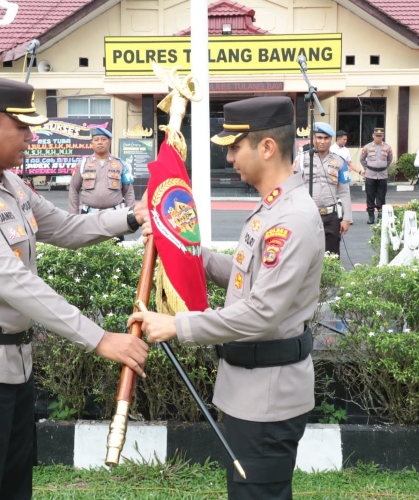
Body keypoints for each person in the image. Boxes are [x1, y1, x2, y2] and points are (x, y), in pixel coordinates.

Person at [0, 77, 149, 500]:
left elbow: (67, 227)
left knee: (11, 487)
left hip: (11, 367)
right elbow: (16, 283)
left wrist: (132, 218)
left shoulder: (10, 184)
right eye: (22, 127)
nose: (31, 136)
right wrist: (99, 339)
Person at [129, 96, 325, 499]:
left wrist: (178, 325)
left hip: (268, 397)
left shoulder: (292, 219)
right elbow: (243, 278)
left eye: (235, 147)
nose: (230, 158)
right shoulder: (273, 210)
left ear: (267, 148)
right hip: (250, 389)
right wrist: (181, 248)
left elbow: (261, 313)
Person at [295, 122, 352, 255]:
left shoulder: (340, 161)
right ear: (312, 138)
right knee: (305, 256)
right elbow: (293, 188)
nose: (322, 141)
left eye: (326, 138)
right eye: (319, 137)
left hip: (331, 216)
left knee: (331, 257)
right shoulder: (302, 159)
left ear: (331, 139)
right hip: (307, 216)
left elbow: (344, 191)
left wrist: (346, 218)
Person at [68, 127, 135, 214]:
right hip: (89, 215)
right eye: (96, 140)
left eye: (103, 139)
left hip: (115, 215)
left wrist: (132, 215)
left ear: (110, 142)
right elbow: (73, 189)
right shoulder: (83, 164)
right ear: (92, 143)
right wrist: (73, 215)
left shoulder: (121, 164)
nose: (100, 142)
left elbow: (129, 192)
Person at [359, 127, 393, 224]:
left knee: (381, 196)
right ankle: (371, 216)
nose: (378, 137)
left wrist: (382, 166)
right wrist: (368, 168)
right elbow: (362, 159)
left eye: (380, 136)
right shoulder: (367, 147)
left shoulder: (388, 147)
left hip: (382, 175)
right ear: (373, 136)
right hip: (370, 175)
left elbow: (389, 160)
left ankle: (380, 216)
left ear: (383, 136)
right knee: (370, 195)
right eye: (376, 136)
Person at [330, 130, 361, 224]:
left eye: (346, 139)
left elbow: (350, 163)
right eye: (344, 139)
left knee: (346, 196)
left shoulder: (346, 150)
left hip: (344, 174)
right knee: (331, 195)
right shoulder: (331, 149)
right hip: (332, 174)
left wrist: (360, 171)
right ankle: (333, 217)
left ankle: (348, 218)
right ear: (338, 139)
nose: (345, 141)